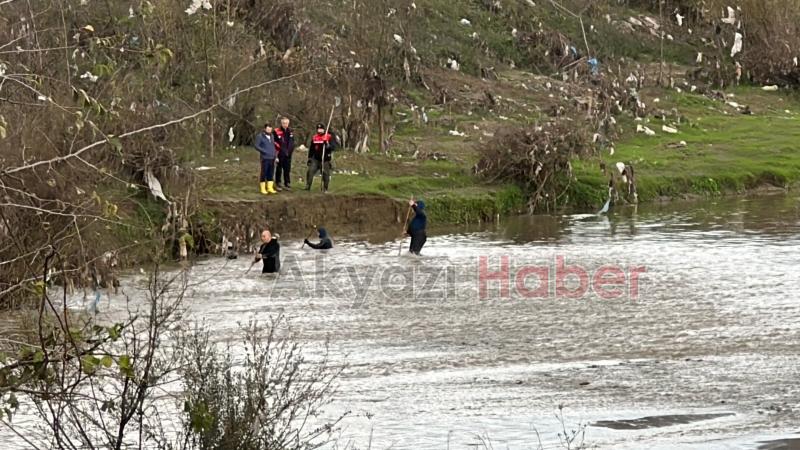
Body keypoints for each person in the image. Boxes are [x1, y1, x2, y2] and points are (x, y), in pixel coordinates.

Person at [306, 123, 337, 192]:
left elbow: (333, 147)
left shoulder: (328, 136)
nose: (319, 130)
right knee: (310, 171)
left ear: (324, 129)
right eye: (318, 129)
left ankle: (325, 188)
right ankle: (308, 185)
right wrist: (310, 158)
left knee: (325, 174)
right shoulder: (314, 137)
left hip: (325, 159)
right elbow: (311, 149)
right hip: (316, 159)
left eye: (321, 129)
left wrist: (327, 144)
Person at [254, 124, 278, 195]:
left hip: (272, 157)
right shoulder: (260, 136)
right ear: (265, 129)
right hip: (265, 158)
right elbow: (256, 146)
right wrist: (264, 151)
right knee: (264, 172)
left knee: (271, 172)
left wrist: (275, 155)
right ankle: (263, 188)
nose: (269, 130)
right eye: (268, 129)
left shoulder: (272, 136)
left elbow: (273, 146)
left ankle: (270, 187)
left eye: (270, 129)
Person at [273, 117, 295, 191]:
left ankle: (287, 183)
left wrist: (290, 150)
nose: (285, 125)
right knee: (279, 168)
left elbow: (292, 142)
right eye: (283, 123)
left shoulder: (291, 131)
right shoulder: (276, 131)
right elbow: (274, 142)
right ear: (281, 123)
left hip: (288, 153)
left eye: (286, 123)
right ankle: (278, 182)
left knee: (287, 169)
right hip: (280, 153)